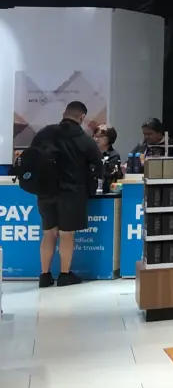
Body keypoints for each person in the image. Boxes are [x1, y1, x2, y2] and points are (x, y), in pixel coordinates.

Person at [31, 101, 103, 288]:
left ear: (64, 113)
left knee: (48, 233)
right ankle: (64, 275)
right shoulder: (85, 140)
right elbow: (98, 166)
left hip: (45, 192)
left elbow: (31, 157)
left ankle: (44, 276)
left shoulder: (44, 133)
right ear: (82, 117)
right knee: (66, 234)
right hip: (72, 193)